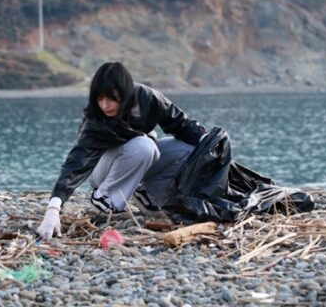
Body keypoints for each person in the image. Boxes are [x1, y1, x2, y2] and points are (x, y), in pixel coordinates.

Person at [37, 62, 206, 239]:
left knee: (188, 149)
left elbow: (182, 124)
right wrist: (53, 208)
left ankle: (149, 195)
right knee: (144, 145)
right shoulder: (95, 119)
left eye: (111, 98)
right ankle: (105, 199)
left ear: (125, 93)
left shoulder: (148, 98)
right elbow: (77, 162)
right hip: (101, 170)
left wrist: (209, 141)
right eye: (100, 99)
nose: (105, 105)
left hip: (135, 160)